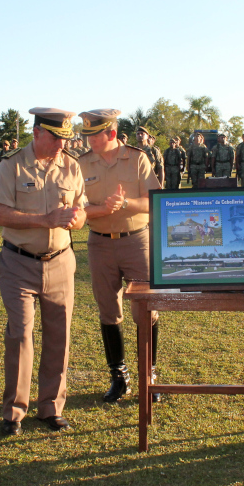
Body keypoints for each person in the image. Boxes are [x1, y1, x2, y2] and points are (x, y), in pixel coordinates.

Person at [0, 107, 86, 436]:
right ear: (37, 133)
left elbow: (82, 211)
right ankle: (14, 411)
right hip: (19, 262)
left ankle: (51, 407)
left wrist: (77, 219)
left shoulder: (72, 166)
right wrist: (44, 220)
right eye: (57, 138)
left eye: (66, 139)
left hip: (60, 261)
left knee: (59, 336)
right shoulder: (11, 165)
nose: (62, 145)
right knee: (20, 335)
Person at [78, 108, 162, 403]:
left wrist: (125, 202)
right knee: (108, 311)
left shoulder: (137, 158)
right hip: (99, 243)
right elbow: (76, 205)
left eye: (93, 135)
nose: (87, 140)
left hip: (136, 241)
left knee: (146, 310)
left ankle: (148, 377)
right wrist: (99, 209)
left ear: (111, 134)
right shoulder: (81, 163)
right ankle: (119, 377)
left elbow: (155, 200)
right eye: (85, 134)